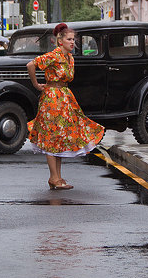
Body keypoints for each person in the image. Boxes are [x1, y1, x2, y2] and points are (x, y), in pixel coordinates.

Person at [26, 23, 104, 190]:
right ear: (59, 41)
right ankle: (54, 177)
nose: (72, 42)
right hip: (52, 98)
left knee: (60, 138)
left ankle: (57, 177)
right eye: (69, 39)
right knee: (51, 137)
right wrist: (36, 84)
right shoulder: (54, 55)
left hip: (64, 97)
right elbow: (31, 65)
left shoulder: (70, 58)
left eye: (73, 39)